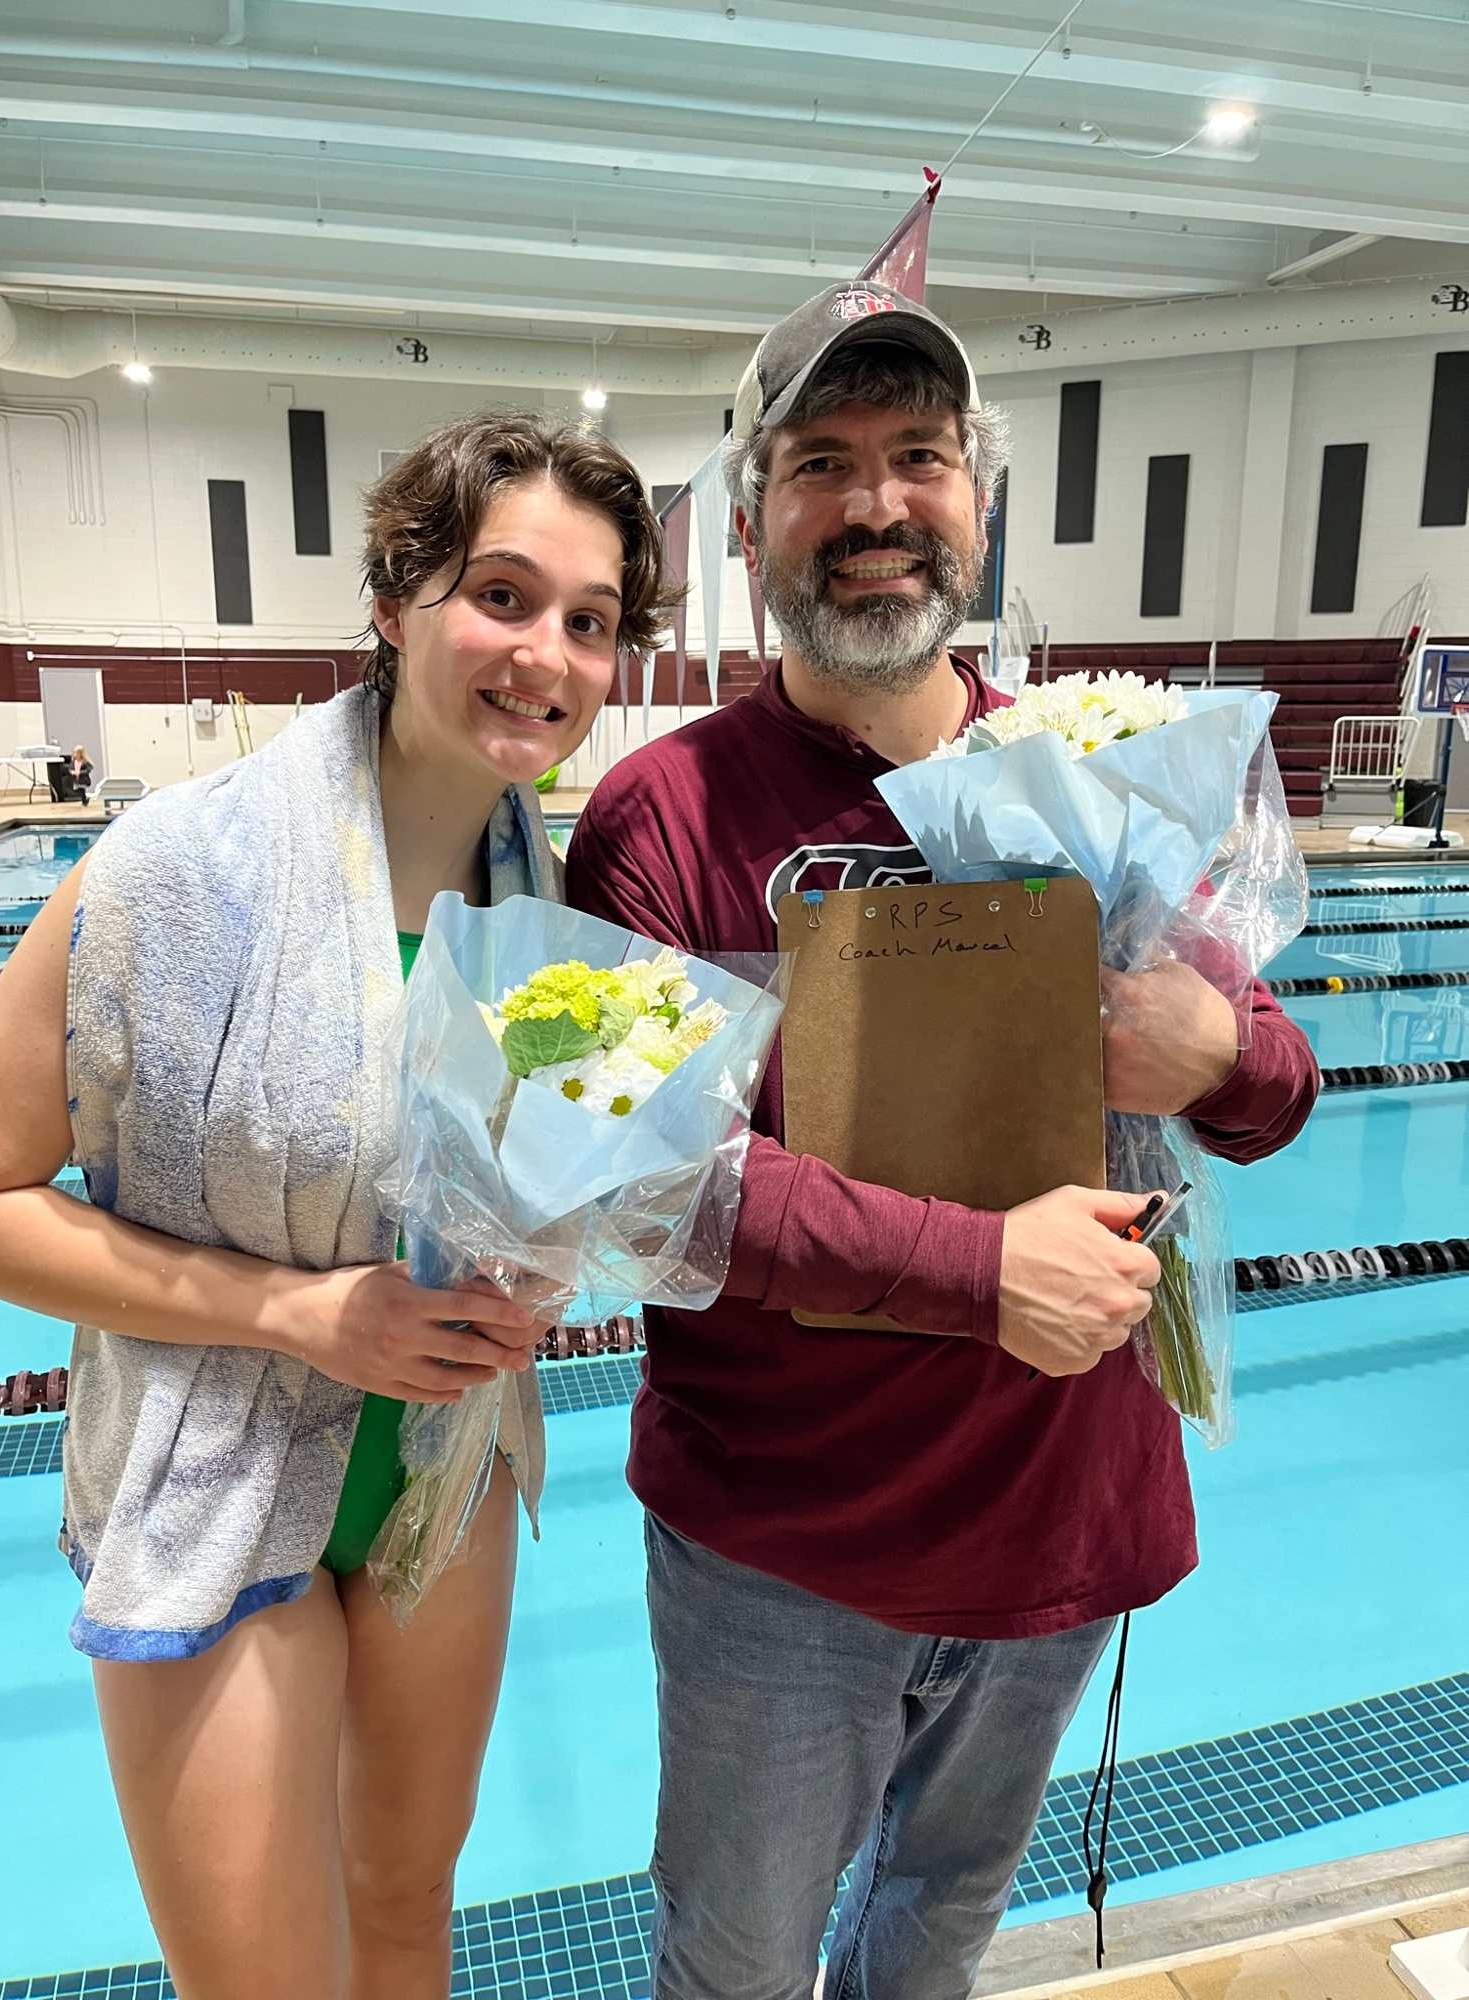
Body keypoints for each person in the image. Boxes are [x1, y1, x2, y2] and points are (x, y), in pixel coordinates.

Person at [565, 283, 1320, 2000]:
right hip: (781, 1552)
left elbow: (1277, 1093)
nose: (878, 504)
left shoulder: (1098, 775)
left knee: (936, 1939)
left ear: (978, 500)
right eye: (822, 464)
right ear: (752, 521)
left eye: (920, 456)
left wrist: (1212, 1047)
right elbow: (659, 1188)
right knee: (740, 1963)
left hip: (1053, 1520)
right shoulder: (662, 818)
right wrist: (985, 1271)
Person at [0, 412, 676, 2000]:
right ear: (394, 600)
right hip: (215, 1462)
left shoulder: (548, 901)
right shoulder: (173, 873)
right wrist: (295, 1312)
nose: (546, 655)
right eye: (502, 595)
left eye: (590, 621)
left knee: (408, 1911)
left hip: (445, 1468)